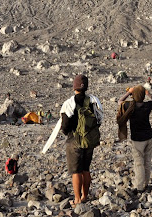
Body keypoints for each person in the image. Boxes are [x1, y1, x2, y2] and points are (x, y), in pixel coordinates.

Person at [61, 75, 103, 205]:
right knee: (86, 168)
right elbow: (99, 119)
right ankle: (85, 195)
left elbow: (65, 126)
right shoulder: (94, 101)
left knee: (76, 171)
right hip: (89, 139)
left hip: (74, 140)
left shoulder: (69, 103)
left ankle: (77, 199)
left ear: (74, 87)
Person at [118, 85, 152, 192]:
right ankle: (146, 183)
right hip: (149, 136)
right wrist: (148, 93)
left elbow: (120, 101)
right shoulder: (147, 105)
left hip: (137, 139)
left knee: (139, 163)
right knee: (147, 161)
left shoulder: (130, 106)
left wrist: (128, 92)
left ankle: (140, 187)